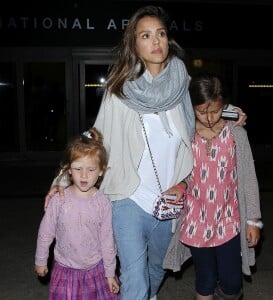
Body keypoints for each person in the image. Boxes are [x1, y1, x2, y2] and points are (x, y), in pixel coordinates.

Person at [44, 6, 247, 300]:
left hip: (169, 201)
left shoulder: (182, 85)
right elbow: (96, 137)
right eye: (146, 35)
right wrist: (62, 179)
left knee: (158, 267)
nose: (156, 41)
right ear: (135, 45)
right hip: (129, 198)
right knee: (135, 280)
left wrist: (232, 113)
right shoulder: (120, 91)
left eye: (161, 34)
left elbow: (207, 107)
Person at [179, 73, 263, 300]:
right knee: (204, 280)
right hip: (196, 220)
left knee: (232, 284)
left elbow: (248, 178)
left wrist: (253, 220)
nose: (208, 118)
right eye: (201, 111)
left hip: (228, 220)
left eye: (215, 111)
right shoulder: (185, 133)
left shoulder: (236, 133)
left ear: (224, 105)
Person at [35, 127, 120, 300]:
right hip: (64, 270)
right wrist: (41, 260)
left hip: (95, 270)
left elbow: (107, 241)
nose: (83, 175)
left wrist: (110, 273)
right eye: (78, 168)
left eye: (91, 169)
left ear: (101, 170)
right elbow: (45, 233)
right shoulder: (59, 200)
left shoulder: (103, 203)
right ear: (68, 169)